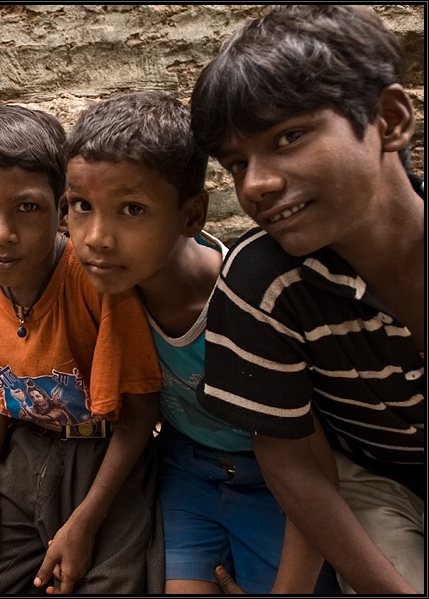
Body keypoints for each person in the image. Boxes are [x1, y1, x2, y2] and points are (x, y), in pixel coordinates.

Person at [63, 90, 340, 594]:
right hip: (188, 471)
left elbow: (315, 469)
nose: (95, 237)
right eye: (81, 205)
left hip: (277, 481)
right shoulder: (109, 290)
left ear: (192, 215)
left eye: (131, 209)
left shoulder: (247, 304)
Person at [190, 5, 425, 594]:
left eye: (288, 137)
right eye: (237, 163)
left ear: (389, 119)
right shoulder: (260, 282)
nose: (256, 184)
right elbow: (291, 464)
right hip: (373, 478)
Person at [0, 104, 164, 595]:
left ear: (61, 209)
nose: (2, 233)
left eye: (27, 207)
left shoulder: (95, 279)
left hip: (108, 464)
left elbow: (142, 409)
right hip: (22, 456)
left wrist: (86, 521)